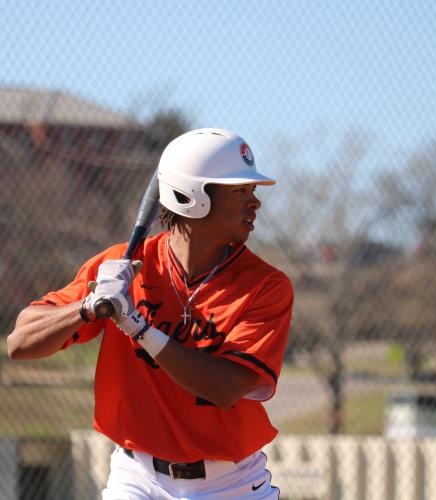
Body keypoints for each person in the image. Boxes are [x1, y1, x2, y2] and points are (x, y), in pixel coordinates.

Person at [7, 128, 294, 499]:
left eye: (252, 192)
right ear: (192, 198)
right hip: (137, 478)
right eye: (239, 191)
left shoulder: (265, 286)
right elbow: (20, 342)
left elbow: (224, 388)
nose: (254, 203)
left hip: (230, 484)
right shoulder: (122, 266)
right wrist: (87, 308)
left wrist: (138, 326)